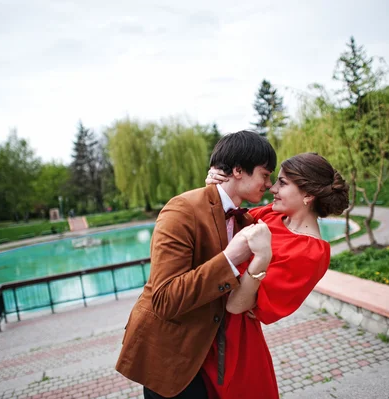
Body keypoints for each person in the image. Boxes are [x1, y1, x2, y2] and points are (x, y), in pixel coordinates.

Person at [115, 130, 277, 398]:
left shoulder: (244, 221)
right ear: (238, 170)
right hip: (169, 354)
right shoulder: (181, 210)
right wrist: (230, 258)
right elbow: (165, 299)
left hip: (209, 355)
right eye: (265, 174)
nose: (269, 184)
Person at [201, 152, 349, 399]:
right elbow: (222, 230)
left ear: (308, 195)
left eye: (282, 183)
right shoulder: (271, 214)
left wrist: (261, 258)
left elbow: (238, 305)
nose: (272, 188)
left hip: (233, 341)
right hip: (203, 322)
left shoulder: (310, 252)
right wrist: (215, 190)